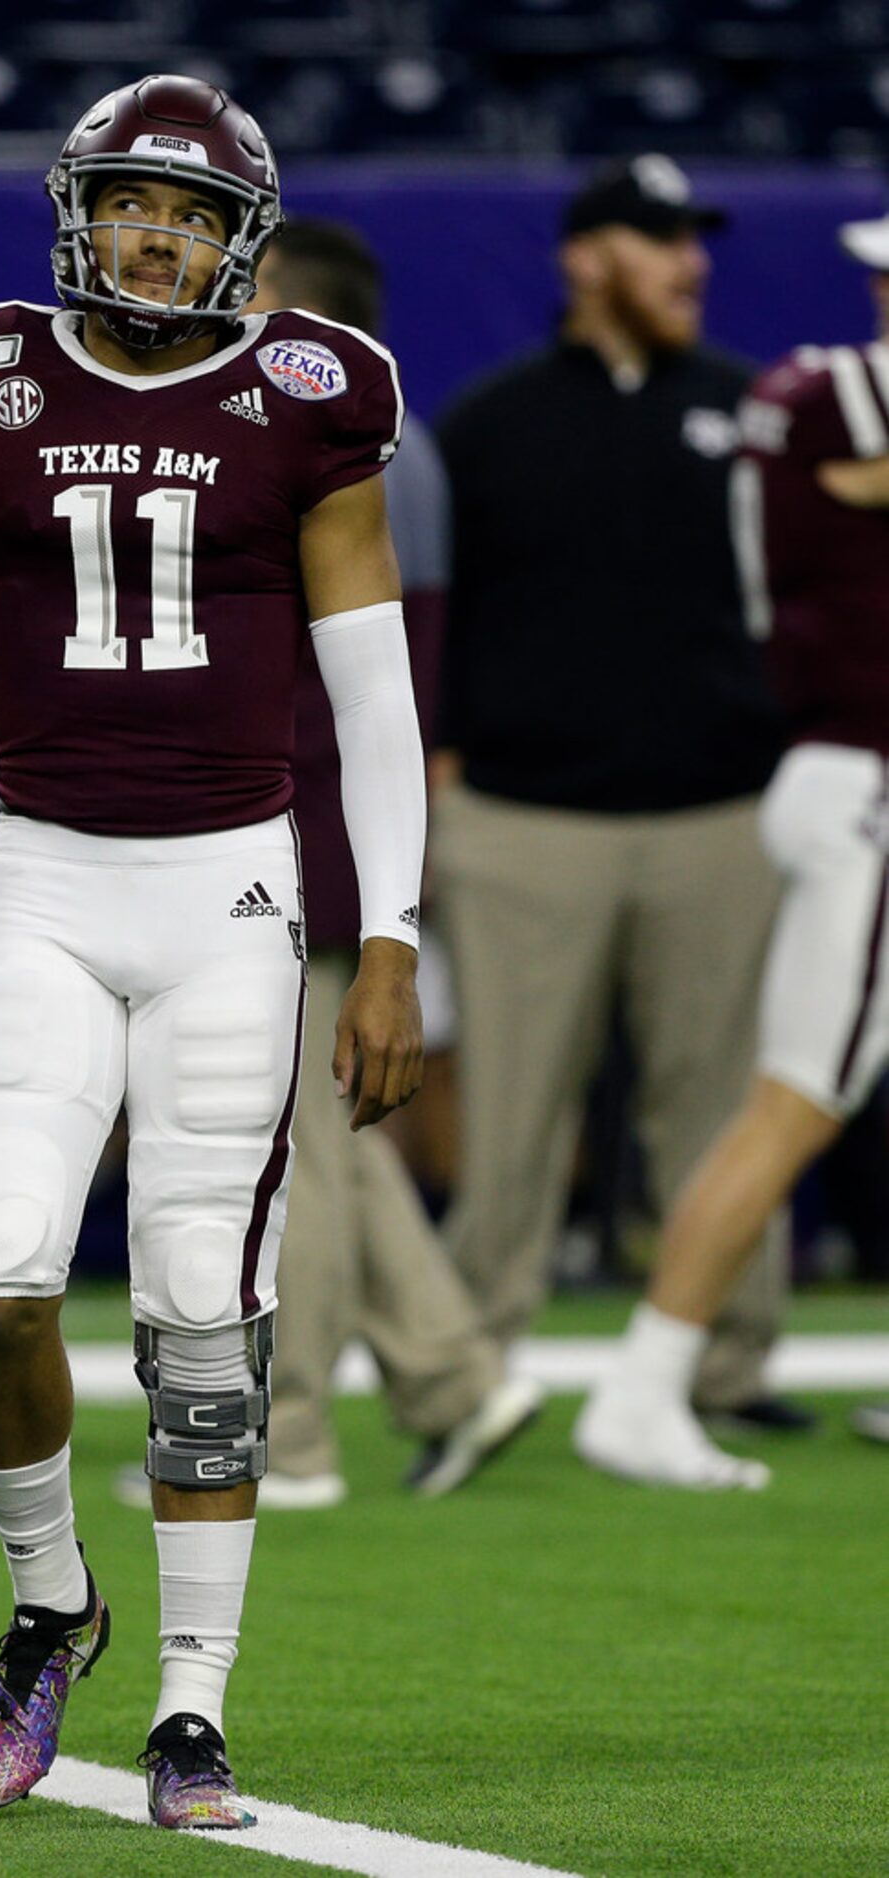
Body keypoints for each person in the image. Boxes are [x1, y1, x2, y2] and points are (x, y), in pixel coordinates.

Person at [0, 73, 424, 1830]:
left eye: (195, 215)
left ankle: (193, 1714)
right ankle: (53, 1602)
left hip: (231, 897)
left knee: (207, 1319)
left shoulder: (308, 395)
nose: (158, 234)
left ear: (242, 248)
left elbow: (374, 694)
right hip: (47, 879)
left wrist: (394, 936)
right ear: (78, 210)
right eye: (134, 201)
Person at [432, 155, 792, 1425]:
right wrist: (442, 786)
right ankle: (469, 1372)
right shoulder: (487, 425)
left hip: (719, 819)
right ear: (585, 258)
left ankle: (725, 1364)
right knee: (514, 1124)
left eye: (695, 239)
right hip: (529, 823)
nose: (689, 261)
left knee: (725, 1108)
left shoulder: (752, 411)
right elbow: (436, 626)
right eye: (657, 240)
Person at [576, 212, 889, 1485]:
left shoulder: (809, 394)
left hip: (838, 773)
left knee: (799, 1093)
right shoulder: (829, 391)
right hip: (863, 779)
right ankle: (648, 1379)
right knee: (793, 1098)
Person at [235, 216, 541, 1502]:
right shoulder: (399, 440)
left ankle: (290, 1433)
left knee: (282, 1135)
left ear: (280, 301)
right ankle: (455, 1376)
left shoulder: (310, 431)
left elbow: (325, 682)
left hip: (297, 820)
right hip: (348, 815)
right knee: (321, 1127)